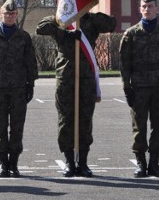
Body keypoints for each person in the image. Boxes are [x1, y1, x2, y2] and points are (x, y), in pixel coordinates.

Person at [36, 11, 116, 177]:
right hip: (66, 78)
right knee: (66, 120)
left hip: (86, 77)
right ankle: (69, 161)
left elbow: (111, 24)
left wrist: (91, 14)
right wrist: (65, 32)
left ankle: (83, 162)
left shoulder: (92, 20)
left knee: (85, 119)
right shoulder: (60, 19)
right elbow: (41, 27)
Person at [119, 0, 159, 178]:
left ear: (157, 8)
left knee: (158, 126)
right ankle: (140, 163)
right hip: (139, 87)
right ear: (140, 9)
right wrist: (126, 87)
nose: (147, 9)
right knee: (139, 126)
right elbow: (124, 64)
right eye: (144, 7)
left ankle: (154, 163)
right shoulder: (131, 34)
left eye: (150, 6)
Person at [0, 0, 38, 177]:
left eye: (13, 14)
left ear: (16, 15)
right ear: (1, 14)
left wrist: (31, 85)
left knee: (17, 126)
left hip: (19, 89)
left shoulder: (24, 37)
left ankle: (14, 164)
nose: (10, 17)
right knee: (0, 127)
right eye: (7, 14)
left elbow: (30, 63)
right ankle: (3, 164)